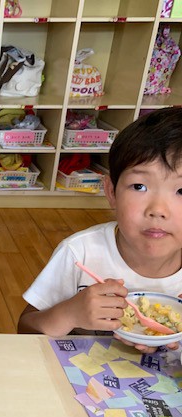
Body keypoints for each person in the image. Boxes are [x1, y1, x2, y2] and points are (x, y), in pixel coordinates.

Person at [18, 107, 182, 352]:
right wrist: (70, 313)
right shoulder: (80, 252)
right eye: (139, 186)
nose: (158, 210)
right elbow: (25, 330)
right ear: (111, 192)